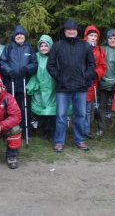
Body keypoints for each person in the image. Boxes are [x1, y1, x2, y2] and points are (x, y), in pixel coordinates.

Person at [46, 19, 96, 152]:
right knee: (61, 116)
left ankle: (80, 140)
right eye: (68, 29)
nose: (71, 31)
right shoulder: (57, 45)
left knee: (80, 115)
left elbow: (92, 64)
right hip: (63, 87)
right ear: (64, 31)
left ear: (77, 31)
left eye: (73, 29)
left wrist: (85, 77)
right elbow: (50, 65)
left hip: (80, 87)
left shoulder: (85, 46)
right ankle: (59, 142)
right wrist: (58, 76)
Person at [0, 25, 38, 141]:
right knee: (10, 109)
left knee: (24, 108)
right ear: (14, 37)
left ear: (25, 36)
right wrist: (8, 70)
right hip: (11, 84)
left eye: (22, 35)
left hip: (23, 84)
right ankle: (9, 131)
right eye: (17, 35)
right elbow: (2, 61)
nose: (19, 37)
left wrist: (27, 68)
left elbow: (35, 63)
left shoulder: (29, 49)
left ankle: (26, 131)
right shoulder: (9, 48)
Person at [26, 35, 56, 141]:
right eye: (41, 46)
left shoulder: (54, 56)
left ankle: (52, 132)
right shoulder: (36, 56)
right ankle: (44, 131)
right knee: (42, 112)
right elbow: (34, 72)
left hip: (52, 88)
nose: (43, 48)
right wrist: (32, 85)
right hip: (39, 88)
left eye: (46, 45)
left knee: (51, 112)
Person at [98, 29, 115, 138]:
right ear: (107, 40)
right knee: (101, 107)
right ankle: (101, 128)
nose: (113, 40)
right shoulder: (102, 50)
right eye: (110, 38)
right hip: (103, 83)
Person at [83, 25, 107, 138]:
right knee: (78, 108)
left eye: (95, 36)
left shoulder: (100, 50)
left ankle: (86, 130)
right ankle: (78, 129)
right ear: (86, 36)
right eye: (91, 35)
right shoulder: (80, 47)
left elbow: (102, 66)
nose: (93, 38)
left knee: (88, 109)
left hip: (92, 82)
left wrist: (96, 73)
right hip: (79, 81)